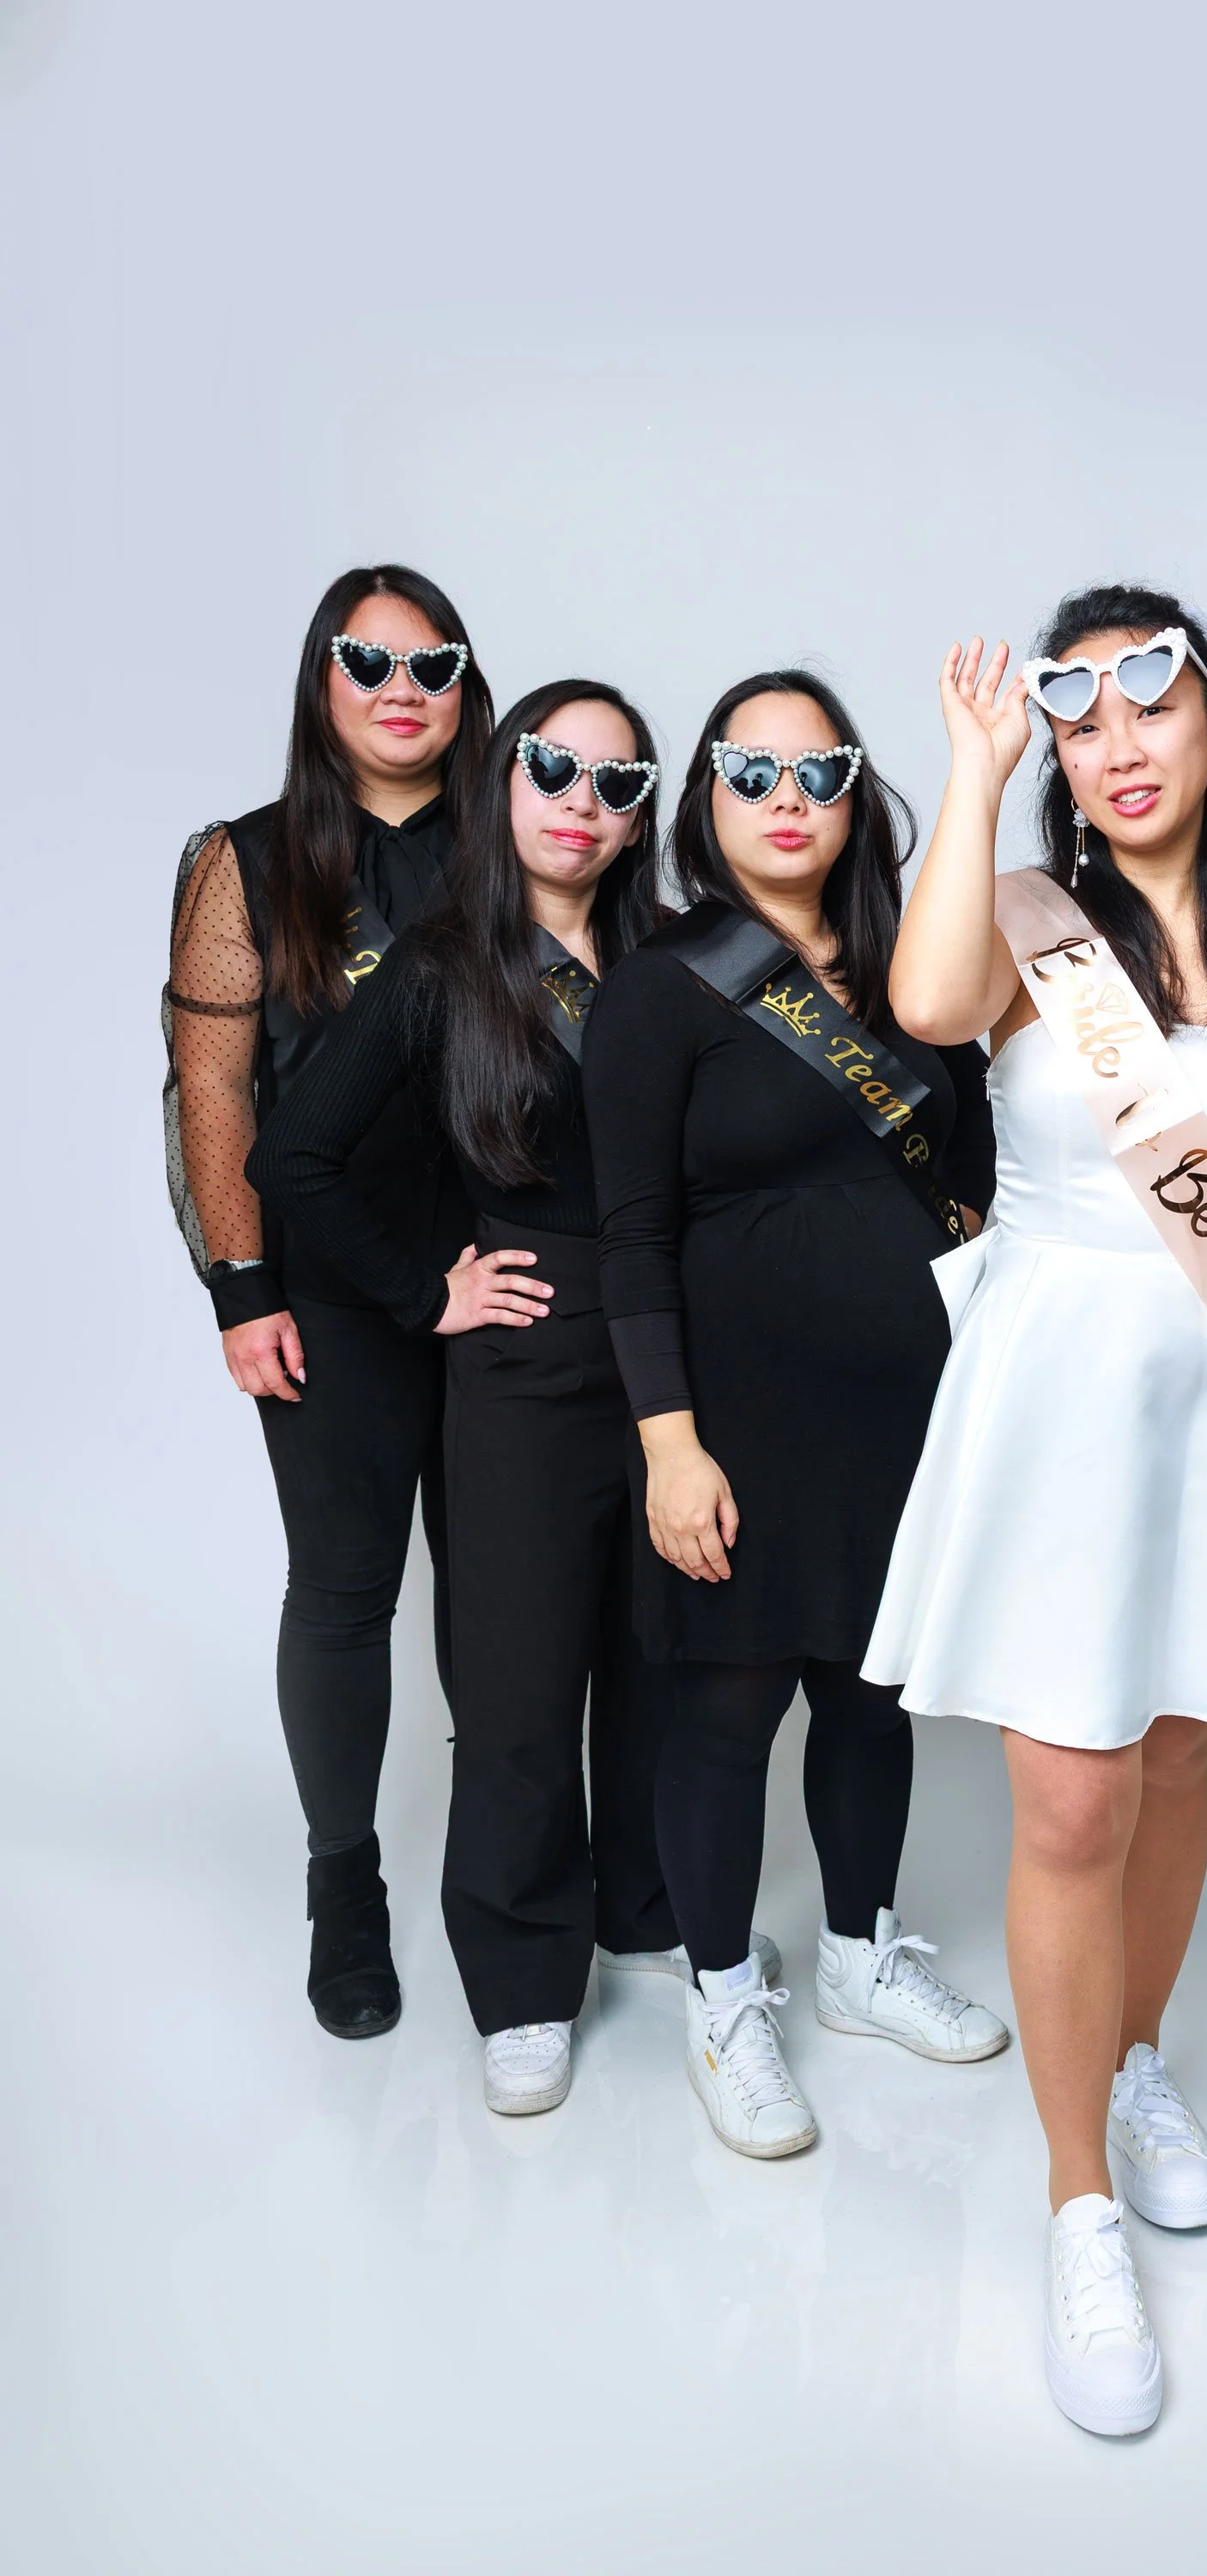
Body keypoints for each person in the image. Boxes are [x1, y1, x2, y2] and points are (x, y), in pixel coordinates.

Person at [866, 587, 1207, 2438]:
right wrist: (974, 767)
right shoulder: (1030, 925)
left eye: (1146, 701)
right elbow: (927, 1004)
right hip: (1058, 1382)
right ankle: (1075, 2194)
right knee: (1071, 1784)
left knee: (1175, 1755)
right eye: (1077, 714)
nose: (1116, 738)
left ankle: (1141, 2055)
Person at [585, 670, 1009, 2165]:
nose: (784, 798)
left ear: (854, 796)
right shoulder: (662, 984)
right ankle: (719, 1997)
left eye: (815, 770)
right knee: (725, 1708)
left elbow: (976, 1171)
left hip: (904, 1407)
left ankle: (859, 1952)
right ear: (707, 796)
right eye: (749, 770)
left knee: (869, 1693)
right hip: (735, 1420)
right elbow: (629, 1235)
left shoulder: (919, 972)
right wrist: (668, 1441)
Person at [248, 680, 688, 2115]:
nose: (583, 799)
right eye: (555, 767)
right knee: (513, 1677)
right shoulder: (444, 967)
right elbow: (293, 1157)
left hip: (673, 1353)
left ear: (639, 824)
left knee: (658, 1652)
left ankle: (643, 1910)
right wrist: (423, 1286)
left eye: (618, 783)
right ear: (505, 783)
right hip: (520, 1358)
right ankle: (518, 1977)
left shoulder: (677, 963)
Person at [162, 564, 492, 2041]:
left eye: (433, 664)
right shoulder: (246, 860)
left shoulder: (523, 835)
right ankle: (342, 1882)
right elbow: (215, 1094)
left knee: (510, 1596)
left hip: (503, 1273)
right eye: (369, 664)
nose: (401, 689)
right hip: (332, 1287)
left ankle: (520, 1869)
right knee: (348, 1590)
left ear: (469, 687)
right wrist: (240, 1287)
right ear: (322, 682)